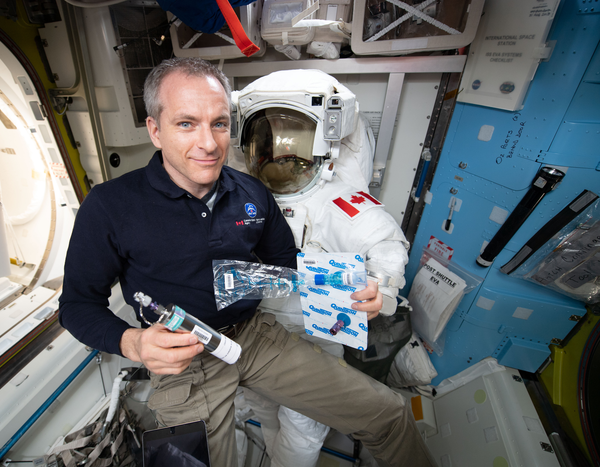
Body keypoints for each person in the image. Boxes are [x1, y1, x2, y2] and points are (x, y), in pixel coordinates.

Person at [59, 57, 435, 467]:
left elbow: (285, 268)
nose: (208, 143)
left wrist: (365, 284)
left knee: (389, 414)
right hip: (187, 356)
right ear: (155, 130)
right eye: (187, 124)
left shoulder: (252, 193)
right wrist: (133, 343)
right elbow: (77, 306)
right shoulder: (110, 207)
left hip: (255, 337)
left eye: (219, 124)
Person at [228, 69, 412, 466]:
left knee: (303, 425)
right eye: (267, 137)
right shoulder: (239, 192)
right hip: (257, 332)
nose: (279, 155)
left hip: (314, 334)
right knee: (263, 408)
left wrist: (383, 287)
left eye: (294, 139)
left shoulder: (337, 202)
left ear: (327, 142)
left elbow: (386, 244)